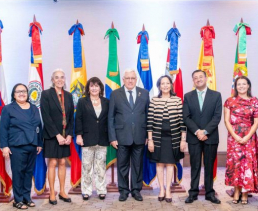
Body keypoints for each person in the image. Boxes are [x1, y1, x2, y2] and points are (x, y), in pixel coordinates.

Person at [108, 69, 150, 202]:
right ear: (123, 80)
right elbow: (111, 117)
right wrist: (112, 137)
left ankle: (136, 190)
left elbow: (148, 115)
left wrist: (149, 135)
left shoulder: (144, 93)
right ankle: (124, 190)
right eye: (128, 78)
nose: (130, 80)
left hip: (140, 135)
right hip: (121, 136)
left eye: (132, 78)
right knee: (122, 165)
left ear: (136, 79)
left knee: (138, 165)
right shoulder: (115, 94)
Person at [0, 84, 43, 210]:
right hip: (16, 146)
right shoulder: (8, 109)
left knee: (28, 173)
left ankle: (26, 197)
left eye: (24, 91)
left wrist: (39, 143)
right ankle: (17, 200)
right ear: (14, 94)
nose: (21, 94)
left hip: (32, 145)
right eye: (18, 91)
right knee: (18, 173)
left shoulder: (34, 108)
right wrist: (4, 146)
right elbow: (3, 129)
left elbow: (39, 127)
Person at [183, 69, 222, 204]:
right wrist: (197, 132)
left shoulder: (216, 95)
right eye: (195, 78)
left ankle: (209, 193)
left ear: (206, 79)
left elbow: (217, 117)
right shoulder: (188, 96)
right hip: (194, 137)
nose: (198, 79)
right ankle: (193, 192)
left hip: (210, 137)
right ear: (193, 81)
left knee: (209, 165)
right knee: (195, 165)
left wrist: (205, 132)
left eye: (201, 77)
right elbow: (186, 117)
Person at [147, 76, 186, 203]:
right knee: (159, 164)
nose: (165, 86)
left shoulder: (177, 100)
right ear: (159, 86)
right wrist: (150, 139)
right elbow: (150, 122)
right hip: (158, 138)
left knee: (170, 164)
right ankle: (161, 189)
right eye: (162, 83)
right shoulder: (154, 100)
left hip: (173, 138)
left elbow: (182, 121)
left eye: (167, 83)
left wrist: (183, 140)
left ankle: (168, 189)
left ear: (171, 85)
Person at [224, 76, 258, 205]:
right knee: (236, 165)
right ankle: (236, 190)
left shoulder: (254, 101)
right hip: (234, 138)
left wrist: (247, 136)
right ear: (235, 86)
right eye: (239, 84)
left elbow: (256, 122)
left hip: (249, 137)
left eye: (244, 84)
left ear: (248, 85)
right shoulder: (229, 101)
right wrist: (235, 136)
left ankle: (245, 192)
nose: (241, 86)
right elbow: (226, 120)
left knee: (247, 165)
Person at [41, 68, 74, 204]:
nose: (59, 79)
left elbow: (71, 117)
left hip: (65, 135)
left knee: (62, 162)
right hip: (51, 135)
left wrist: (70, 135)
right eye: (57, 77)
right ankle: (52, 193)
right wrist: (57, 135)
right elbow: (46, 116)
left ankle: (62, 191)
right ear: (52, 80)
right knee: (53, 162)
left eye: (62, 77)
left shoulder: (69, 95)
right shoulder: (46, 94)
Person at [75, 77, 109, 200]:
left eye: (96, 86)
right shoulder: (82, 102)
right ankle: (86, 190)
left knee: (100, 166)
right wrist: (79, 135)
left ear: (100, 88)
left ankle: (101, 189)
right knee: (87, 167)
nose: (94, 88)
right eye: (91, 86)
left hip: (102, 138)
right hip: (87, 139)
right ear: (88, 89)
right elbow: (78, 119)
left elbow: (108, 120)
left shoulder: (106, 102)